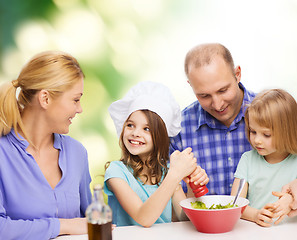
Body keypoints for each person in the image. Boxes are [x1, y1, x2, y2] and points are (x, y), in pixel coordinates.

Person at [0, 51, 92, 239]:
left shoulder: (77, 153)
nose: (79, 109)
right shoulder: (3, 154)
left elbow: (89, 220)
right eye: (75, 99)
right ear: (45, 98)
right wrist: (61, 226)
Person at [104, 81, 209, 227]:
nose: (135, 133)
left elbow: (184, 219)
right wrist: (175, 174)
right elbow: (144, 218)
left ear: (160, 136)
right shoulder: (116, 172)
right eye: (130, 125)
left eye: (146, 129)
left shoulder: (166, 171)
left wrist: (191, 185)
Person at [170, 43, 256, 195]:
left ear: (237, 74)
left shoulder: (276, 113)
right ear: (191, 86)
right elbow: (172, 206)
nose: (217, 105)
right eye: (204, 96)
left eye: (223, 90)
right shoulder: (178, 129)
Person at [231, 89, 297, 227]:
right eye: (253, 131)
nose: (257, 140)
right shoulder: (247, 160)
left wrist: (290, 201)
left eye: (266, 135)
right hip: (257, 232)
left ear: (288, 132)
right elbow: (235, 203)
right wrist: (255, 215)